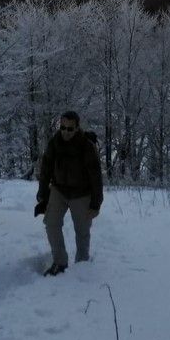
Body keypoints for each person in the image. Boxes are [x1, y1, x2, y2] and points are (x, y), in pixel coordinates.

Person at [34, 110, 103, 276]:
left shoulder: (86, 146)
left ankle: (82, 266)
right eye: (63, 127)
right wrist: (43, 192)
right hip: (59, 190)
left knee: (82, 231)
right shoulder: (54, 143)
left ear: (77, 128)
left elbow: (96, 177)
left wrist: (96, 203)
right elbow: (46, 169)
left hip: (82, 194)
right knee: (51, 224)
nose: (65, 131)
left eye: (70, 129)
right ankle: (60, 262)